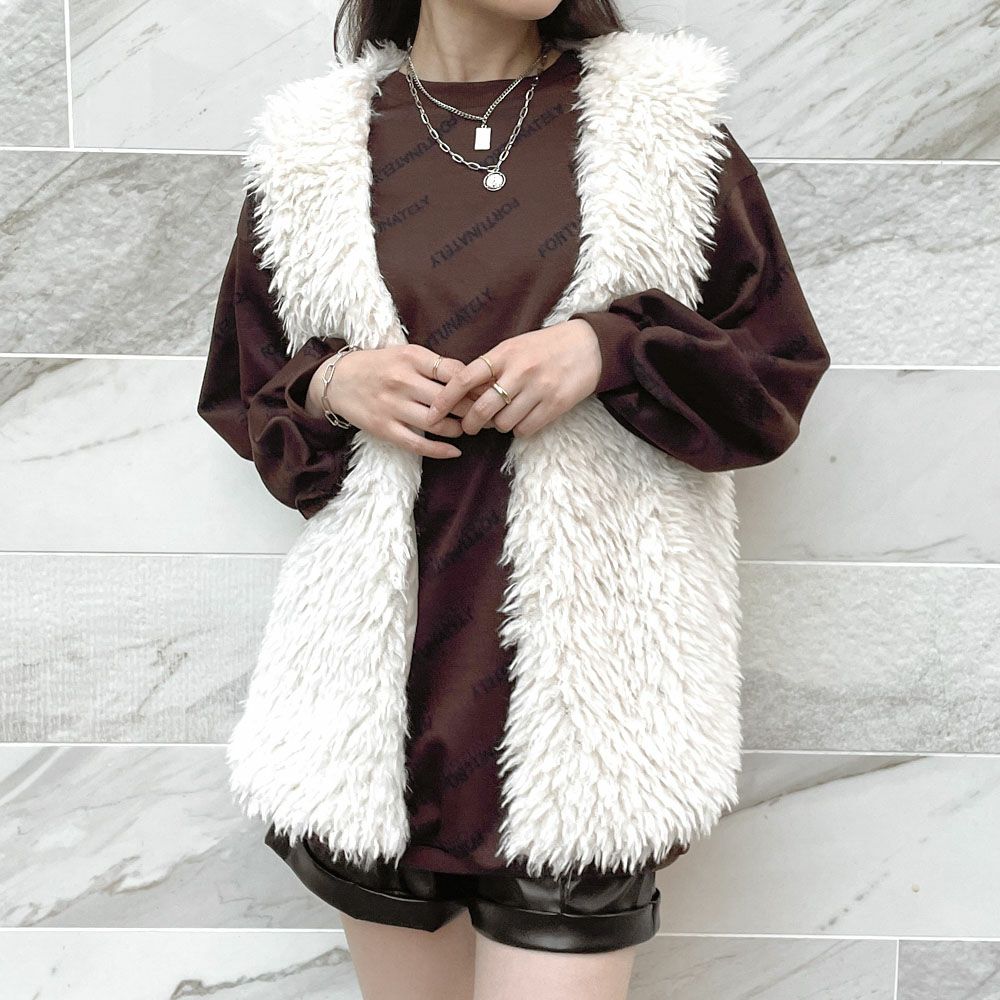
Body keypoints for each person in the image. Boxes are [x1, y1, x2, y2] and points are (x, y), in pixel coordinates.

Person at [197, 2, 831, 998]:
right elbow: (249, 388)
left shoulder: (658, 124)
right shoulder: (311, 147)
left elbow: (772, 374)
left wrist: (608, 347)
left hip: (592, 708)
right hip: (380, 721)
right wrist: (334, 382)